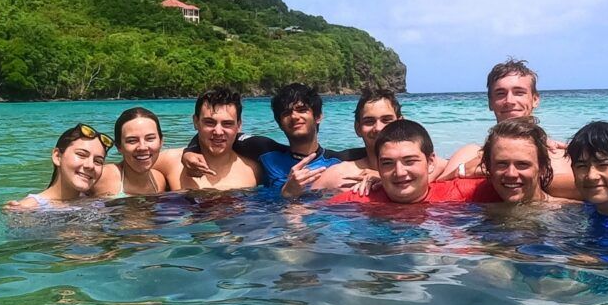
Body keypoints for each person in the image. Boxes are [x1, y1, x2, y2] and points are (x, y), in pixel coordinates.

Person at [182, 83, 364, 197]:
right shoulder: (265, 151)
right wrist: (190, 151)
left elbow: (378, 151)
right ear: (279, 122)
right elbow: (218, 133)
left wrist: (376, 173)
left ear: (318, 116)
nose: (294, 116)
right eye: (286, 112)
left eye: (302, 109)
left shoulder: (337, 160)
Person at [434, 58, 579, 199]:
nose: (509, 101)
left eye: (519, 92)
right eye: (500, 94)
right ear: (490, 103)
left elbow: (592, 188)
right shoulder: (470, 153)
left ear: (535, 99)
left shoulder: (558, 155)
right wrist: (462, 168)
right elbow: (439, 192)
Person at [329, 120, 496, 204]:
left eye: (409, 161)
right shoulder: (356, 203)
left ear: (430, 162)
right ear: (377, 167)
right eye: (387, 163)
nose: (399, 172)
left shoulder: (462, 194)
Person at [159, 87, 262, 191]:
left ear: (239, 126)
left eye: (227, 124)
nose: (218, 131)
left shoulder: (253, 170)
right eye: (209, 122)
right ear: (196, 122)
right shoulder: (170, 162)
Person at [6, 123, 112, 209]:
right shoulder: (28, 208)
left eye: (98, 161)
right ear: (57, 156)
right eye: (81, 155)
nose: (90, 165)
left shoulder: (96, 202)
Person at [91, 107, 168, 197]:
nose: (142, 147)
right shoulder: (102, 176)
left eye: (150, 138)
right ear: (119, 146)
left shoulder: (159, 180)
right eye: (132, 140)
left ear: (161, 142)